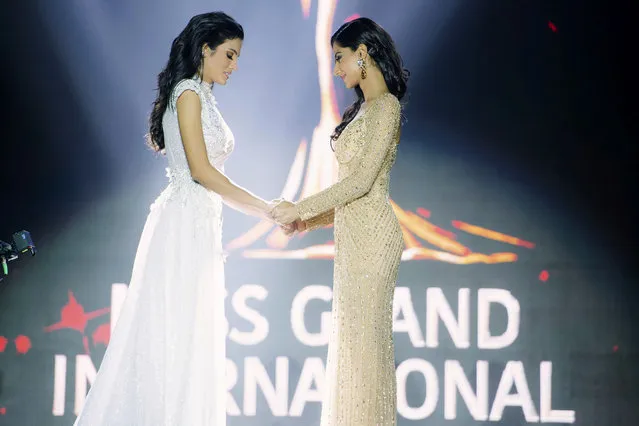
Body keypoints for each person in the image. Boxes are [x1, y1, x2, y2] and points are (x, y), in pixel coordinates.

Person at [74, 12, 282, 425]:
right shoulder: (187, 93)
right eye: (228, 54)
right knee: (176, 337)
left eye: (237, 57)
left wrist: (265, 211)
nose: (234, 65)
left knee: (191, 338)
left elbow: (211, 178)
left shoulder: (200, 94)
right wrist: (267, 208)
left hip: (199, 225)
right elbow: (203, 172)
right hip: (183, 227)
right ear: (205, 48)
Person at [271, 17, 409, 426]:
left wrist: (299, 207)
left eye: (339, 58)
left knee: (365, 350)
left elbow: (364, 182)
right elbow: (351, 194)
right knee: (351, 349)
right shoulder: (365, 109)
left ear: (363, 53)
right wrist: (305, 224)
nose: (336, 70)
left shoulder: (386, 107)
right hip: (352, 238)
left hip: (374, 242)